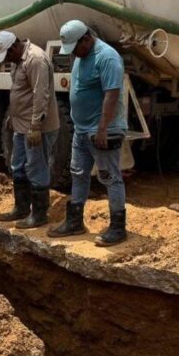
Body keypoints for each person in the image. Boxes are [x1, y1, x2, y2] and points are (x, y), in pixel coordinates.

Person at [48, 20, 128, 246]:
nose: (74, 52)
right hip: (81, 130)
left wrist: (102, 128)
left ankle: (118, 228)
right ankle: (75, 222)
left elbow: (112, 94)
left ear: (86, 39)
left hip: (102, 131)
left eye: (75, 47)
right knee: (78, 174)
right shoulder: (81, 56)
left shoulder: (107, 57)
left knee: (110, 177)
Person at [0, 31, 60, 229]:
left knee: (36, 167)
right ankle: (21, 208)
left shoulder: (35, 59)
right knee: (18, 165)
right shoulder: (17, 60)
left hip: (36, 127)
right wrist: (13, 116)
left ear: (14, 47)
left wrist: (36, 126)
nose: (6, 60)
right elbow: (20, 91)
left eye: (6, 55)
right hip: (21, 125)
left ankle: (39, 214)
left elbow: (41, 95)